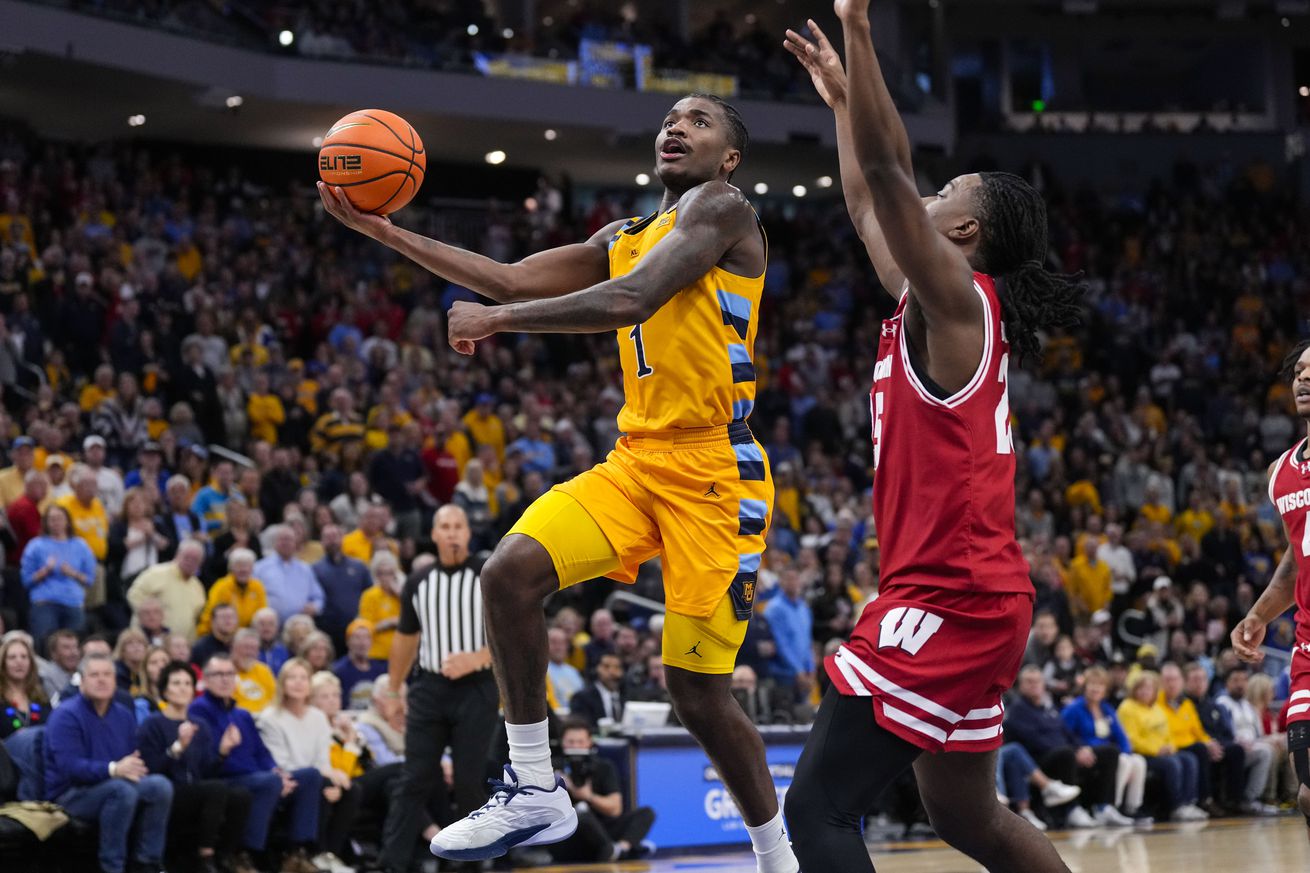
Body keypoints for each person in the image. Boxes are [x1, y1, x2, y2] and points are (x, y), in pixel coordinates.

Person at [326, 86, 795, 866]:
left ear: (730, 156)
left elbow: (631, 299)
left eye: (699, 120)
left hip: (717, 472)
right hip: (638, 460)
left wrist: (495, 321)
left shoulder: (723, 210)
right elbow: (507, 277)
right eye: (671, 117)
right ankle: (537, 787)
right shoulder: (626, 232)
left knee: (697, 693)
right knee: (507, 572)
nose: (677, 126)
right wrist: (384, 229)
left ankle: (778, 855)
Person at [780, 13, 1079, 872]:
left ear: (961, 232)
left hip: (952, 597)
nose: (929, 196)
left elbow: (886, 171)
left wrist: (862, 32)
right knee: (967, 817)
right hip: (974, 593)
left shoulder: (956, 300)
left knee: (819, 808)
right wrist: (842, 101)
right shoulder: (926, 298)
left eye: (946, 192)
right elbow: (870, 198)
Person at [377, 505, 494, 872]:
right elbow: (405, 639)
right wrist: (394, 692)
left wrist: (476, 658)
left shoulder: (488, 576)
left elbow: (516, 632)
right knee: (413, 778)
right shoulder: (418, 582)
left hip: (477, 688)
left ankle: (472, 864)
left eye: (459, 526)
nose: (453, 533)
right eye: (445, 526)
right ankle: (390, 864)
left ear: (468, 533)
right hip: (429, 688)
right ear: (435, 534)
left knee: (469, 782)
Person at [1231, 338, 1310, 840]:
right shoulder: (1281, 472)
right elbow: (1294, 557)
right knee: (1308, 792)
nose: (1304, 378)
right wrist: (1259, 615)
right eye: (1300, 370)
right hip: (1308, 646)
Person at [188, 653, 323, 873]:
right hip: (224, 778)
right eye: (218, 674)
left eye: (229, 674)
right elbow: (207, 761)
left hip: (258, 777)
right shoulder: (199, 710)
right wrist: (271, 777)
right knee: (268, 782)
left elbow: (262, 752)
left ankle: (296, 853)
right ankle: (243, 855)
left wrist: (278, 773)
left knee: (310, 776)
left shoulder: (241, 714)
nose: (225, 679)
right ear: (206, 679)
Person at [43, 651, 174, 873]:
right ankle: (112, 866)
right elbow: (69, 767)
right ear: (81, 681)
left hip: (112, 784)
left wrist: (134, 767)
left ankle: (147, 863)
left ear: (115, 681)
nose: (102, 679)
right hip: (70, 794)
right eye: (94, 675)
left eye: (107, 675)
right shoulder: (66, 715)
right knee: (122, 790)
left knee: (159, 786)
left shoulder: (123, 714)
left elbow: (130, 758)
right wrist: (113, 769)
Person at [138, 660, 257, 873]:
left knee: (241, 795)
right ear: (165, 689)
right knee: (215, 789)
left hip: (197, 789)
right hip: (169, 792)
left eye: (187, 683)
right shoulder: (153, 723)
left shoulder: (200, 725)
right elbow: (152, 769)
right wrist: (177, 748)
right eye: (176, 683)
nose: (183, 688)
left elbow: (207, 771)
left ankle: (225, 856)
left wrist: (222, 751)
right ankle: (205, 857)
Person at [257, 658, 358, 873]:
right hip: (286, 780)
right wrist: (323, 777)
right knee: (316, 780)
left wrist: (332, 779)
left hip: (315, 776)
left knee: (350, 788)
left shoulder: (318, 717)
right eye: (292, 678)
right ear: (282, 683)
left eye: (303, 678)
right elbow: (281, 763)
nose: (298, 683)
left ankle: (330, 854)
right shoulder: (270, 718)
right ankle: (305, 852)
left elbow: (322, 759)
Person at [1003, 666, 1122, 827]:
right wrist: (1074, 752)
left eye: (1037, 681)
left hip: (1064, 752)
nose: (1034, 685)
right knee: (1065, 753)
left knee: (1110, 752)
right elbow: (1034, 741)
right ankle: (1072, 810)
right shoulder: (1018, 709)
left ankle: (1104, 807)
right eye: (1029, 682)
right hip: (1038, 760)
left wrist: (1081, 748)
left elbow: (1066, 732)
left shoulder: (1048, 706)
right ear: (1020, 685)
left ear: (1043, 684)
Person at [549, 718, 656, 863]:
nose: (576, 746)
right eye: (571, 742)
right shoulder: (552, 768)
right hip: (569, 835)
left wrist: (588, 796)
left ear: (589, 742)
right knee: (580, 813)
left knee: (646, 813)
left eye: (580, 742)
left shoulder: (603, 767)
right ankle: (615, 851)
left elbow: (615, 809)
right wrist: (558, 788)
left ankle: (620, 849)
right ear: (562, 742)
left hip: (602, 827)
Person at [1116, 670, 1208, 821]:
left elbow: (1168, 735)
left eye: (1149, 689)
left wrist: (1171, 747)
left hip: (1162, 752)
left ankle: (1189, 803)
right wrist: (1156, 750)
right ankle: (1175, 806)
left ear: (1155, 691)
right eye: (1141, 688)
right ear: (1134, 690)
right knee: (1172, 764)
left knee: (1189, 758)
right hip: (1143, 753)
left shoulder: (1156, 709)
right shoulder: (1128, 708)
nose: (1145, 692)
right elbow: (1131, 739)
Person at [1062, 666, 1147, 822]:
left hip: (1109, 752)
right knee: (1119, 759)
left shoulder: (1106, 709)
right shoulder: (1074, 709)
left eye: (1100, 685)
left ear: (1105, 689)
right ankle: (1108, 806)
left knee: (1137, 761)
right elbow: (1064, 734)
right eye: (1092, 684)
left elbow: (1121, 736)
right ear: (1085, 687)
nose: (1096, 689)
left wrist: (1126, 751)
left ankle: (1131, 808)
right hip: (1088, 752)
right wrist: (1079, 749)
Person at [20, 504, 96, 647]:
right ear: (46, 523)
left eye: (59, 518)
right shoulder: (35, 545)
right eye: (52, 519)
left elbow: (90, 580)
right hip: (44, 602)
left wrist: (72, 573)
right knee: (45, 644)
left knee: (75, 645)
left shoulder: (80, 545)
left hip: (73, 602)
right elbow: (26, 581)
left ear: (67, 521)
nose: (56, 523)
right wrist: (45, 570)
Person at [1215, 665, 1278, 815]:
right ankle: (1250, 799)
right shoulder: (1222, 703)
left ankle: (1262, 797)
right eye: (1235, 680)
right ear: (1227, 683)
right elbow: (1224, 733)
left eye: (1243, 680)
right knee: (1265, 752)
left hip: (1253, 745)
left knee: (1274, 746)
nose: (1240, 684)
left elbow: (1259, 734)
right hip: (1233, 748)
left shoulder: (1248, 706)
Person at [126, 539, 207, 641]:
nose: (190, 562)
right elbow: (134, 596)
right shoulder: (156, 573)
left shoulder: (197, 586)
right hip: (150, 641)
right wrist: (152, 621)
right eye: (187, 557)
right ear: (177, 555)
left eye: (195, 559)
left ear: (201, 563)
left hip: (182, 646)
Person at [313, 523, 370, 652]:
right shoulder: (315, 569)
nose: (332, 541)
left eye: (335, 536)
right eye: (327, 537)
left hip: (355, 629)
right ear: (321, 541)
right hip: (326, 630)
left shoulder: (359, 567)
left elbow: (369, 593)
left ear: (342, 538)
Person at [255, 524, 324, 623]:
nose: (286, 543)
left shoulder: (305, 569)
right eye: (283, 539)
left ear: (295, 544)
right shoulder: (260, 568)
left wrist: (315, 606)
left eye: (290, 540)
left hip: (299, 627)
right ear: (275, 543)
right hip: (269, 626)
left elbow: (318, 597)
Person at [198, 548, 268, 635]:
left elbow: (262, 615)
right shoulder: (222, 586)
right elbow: (212, 616)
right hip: (225, 635)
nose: (243, 570)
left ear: (252, 568)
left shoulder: (258, 587)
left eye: (247, 566)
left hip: (249, 635)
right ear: (231, 568)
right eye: (239, 565)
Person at [358, 550, 403, 662]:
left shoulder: (402, 594)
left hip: (401, 652)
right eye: (381, 573)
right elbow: (365, 627)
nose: (385, 577)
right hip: (377, 653)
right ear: (375, 574)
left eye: (389, 573)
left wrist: (402, 596)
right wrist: (388, 623)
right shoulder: (369, 595)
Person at [0, 634, 47, 739]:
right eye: (12, 657)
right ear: (3, 663)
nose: (19, 661)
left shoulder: (41, 697)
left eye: (24, 657)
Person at [333, 618, 385, 710]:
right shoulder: (338, 670)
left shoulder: (381, 669)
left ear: (372, 642)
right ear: (348, 641)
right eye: (357, 638)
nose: (362, 643)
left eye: (366, 637)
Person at [569, 652, 628, 730]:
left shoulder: (628, 695)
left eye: (617, 667)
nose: (612, 672)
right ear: (596, 669)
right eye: (606, 667)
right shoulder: (582, 698)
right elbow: (581, 729)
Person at [230, 628, 277, 714]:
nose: (250, 652)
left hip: (266, 719)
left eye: (254, 648)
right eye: (246, 647)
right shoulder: (225, 671)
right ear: (234, 647)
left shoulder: (264, 670)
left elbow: (275, 699)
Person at [192, 603, 240, 669]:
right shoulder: (201, 647)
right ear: (212, 621)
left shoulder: (241, 645)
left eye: (231, 617)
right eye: (223, 617)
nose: (228, 620)